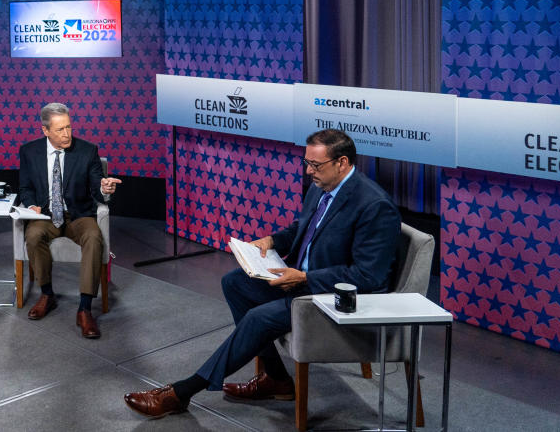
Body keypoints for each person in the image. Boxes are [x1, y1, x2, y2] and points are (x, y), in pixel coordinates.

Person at [124, 128, 401, 419]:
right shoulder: (323, 186)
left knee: (259, 318)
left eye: (315, 165)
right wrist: (272, 241)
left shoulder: (374, 206)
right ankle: (277, 379)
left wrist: (305, 278)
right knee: (235, 283)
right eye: (306, 163)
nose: (308, 171)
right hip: (299, 282)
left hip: (329, 298)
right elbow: (302, 228)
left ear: (342, 163)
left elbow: (369, 276)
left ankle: (183, 392)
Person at [18, 102, 121, 339]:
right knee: (33, 235)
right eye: (60, 130)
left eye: (69, 127)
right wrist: (31, 203)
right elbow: (25, 187)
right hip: (45, 214)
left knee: (94, 238)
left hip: (78, 214)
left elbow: (98, 188)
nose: (67, 134)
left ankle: (85, 308)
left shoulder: (87, 150)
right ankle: (46, 294)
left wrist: (105, 188)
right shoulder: (29, 151)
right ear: (45, 130)